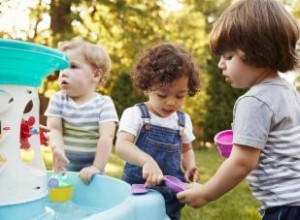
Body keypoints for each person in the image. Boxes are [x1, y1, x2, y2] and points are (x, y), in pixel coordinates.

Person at [177, 0, 300, 219]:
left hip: (287, 206)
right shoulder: (287, 91)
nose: (220, 65)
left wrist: (205, 193)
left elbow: (242, 161)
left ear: (258, 51)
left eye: (228, 56)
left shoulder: (254, 100)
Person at [115, 42, 200, 220]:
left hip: (170, 194)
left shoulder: (182, 121)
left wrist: (190, 166)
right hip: (138, 191)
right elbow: (122, 145)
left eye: (180, 95)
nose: (171, 103)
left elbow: (186, 149)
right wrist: (147, 161)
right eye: (162, 95)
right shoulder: (136, 114)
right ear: (146, 87)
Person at [45, 37, 118, 184]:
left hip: (92, 171)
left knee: (91, 203)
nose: (64, 73)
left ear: (96, 75)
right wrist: (56, 148)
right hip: (64, 166)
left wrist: (97, 167)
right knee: (62, 201)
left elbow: (107, 137)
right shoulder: (58, 100)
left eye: (72, 66)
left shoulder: (104, 104)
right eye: (62, 68)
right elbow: (54, 129)